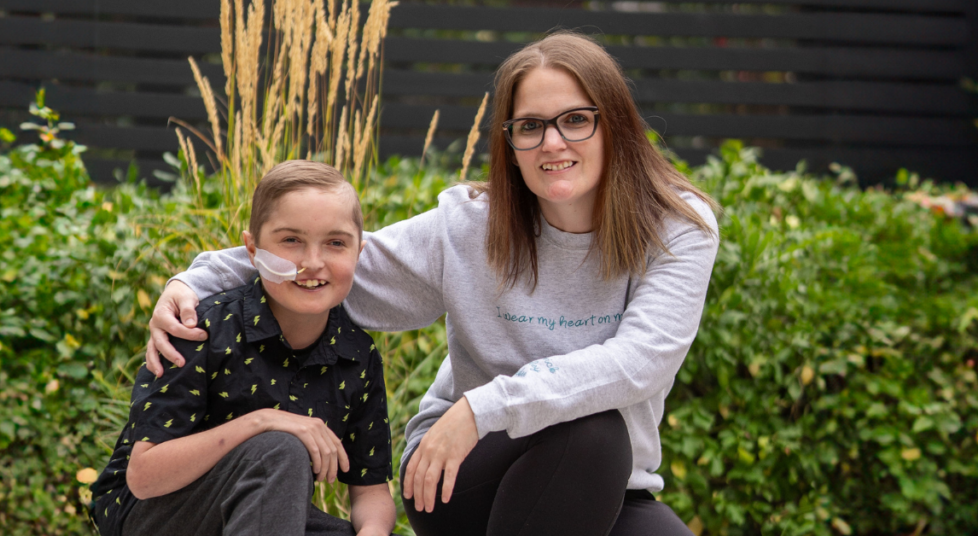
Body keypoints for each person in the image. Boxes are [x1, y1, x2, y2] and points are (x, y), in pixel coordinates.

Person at [147, 32, 718, 536]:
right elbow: (330, 264)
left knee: (594, 440)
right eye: (530, 126)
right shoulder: (471, 226)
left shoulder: (676, 228)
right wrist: (193, 280)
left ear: (613, 123)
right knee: (592, 432)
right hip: (457, 471)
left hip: (608, 483)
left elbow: (640, 362)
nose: (552, 143)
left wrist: (482, 406)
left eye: (575, 119)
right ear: (510, 143)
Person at [90, 161, 396, 536]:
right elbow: (143, 477)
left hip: (259, 512)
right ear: (251, 249)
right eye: (291, 240)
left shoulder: (358, 354)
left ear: (358, 252)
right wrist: (261, 421)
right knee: (279, 449)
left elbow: (371, 493)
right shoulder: (200, 328)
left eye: (335, 243)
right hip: (152, 513)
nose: (313, 263)